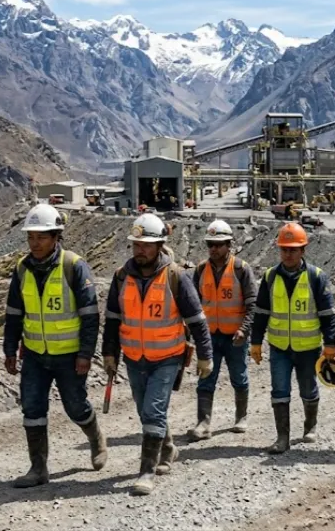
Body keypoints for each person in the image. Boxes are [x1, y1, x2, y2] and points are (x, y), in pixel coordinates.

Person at [103, 213, 214, 496]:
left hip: (168, 357)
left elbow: (197, 320)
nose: (140, 250)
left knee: (153, 410)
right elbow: (113, 320)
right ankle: (167, 448)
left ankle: (146, 472)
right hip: (134, 357)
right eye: (136, 244)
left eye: (146, 245)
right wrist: (109, 353)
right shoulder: (121, 277)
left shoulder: (175, 276)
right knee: (145, 412)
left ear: (160, 245)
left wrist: (205, 355)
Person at [3, 204, 105, 488]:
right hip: (35, 355)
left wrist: (85, 353)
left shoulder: (74, 266)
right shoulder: (22, 269)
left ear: (56, 236)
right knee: (32, 409)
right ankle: (38, 469)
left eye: (41, 237)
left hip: (69, 356)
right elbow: (13, 313)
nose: (35, 243)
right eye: (31, 237)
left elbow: (90, 315)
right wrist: (10, 350)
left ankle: (95, 436)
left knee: (75, 407)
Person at [251, 222, 335, 454]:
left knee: (308, 390)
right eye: (284, 249)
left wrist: (330, 344)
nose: (288, 254)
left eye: (293, 249)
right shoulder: (270, 277)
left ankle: (310, 426)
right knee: (279, 390)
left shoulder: (316, 277)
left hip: (308, 348)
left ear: (303, 250)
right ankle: (282, 438)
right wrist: (256, 342)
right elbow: (260, 313)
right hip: (279, 347)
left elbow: (327, 315)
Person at [188, 220, 257, 440]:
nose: (213, 249)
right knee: (206, 377)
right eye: (210, 244)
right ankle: (203, 423)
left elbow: (252, 304)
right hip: (209, 336)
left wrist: (244, 330)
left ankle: (241, 417)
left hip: (235, 336)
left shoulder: (241, 269)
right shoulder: (200, 270)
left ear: (229, 245)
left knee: (239, 376)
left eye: (218, 244)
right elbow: (193, 304)